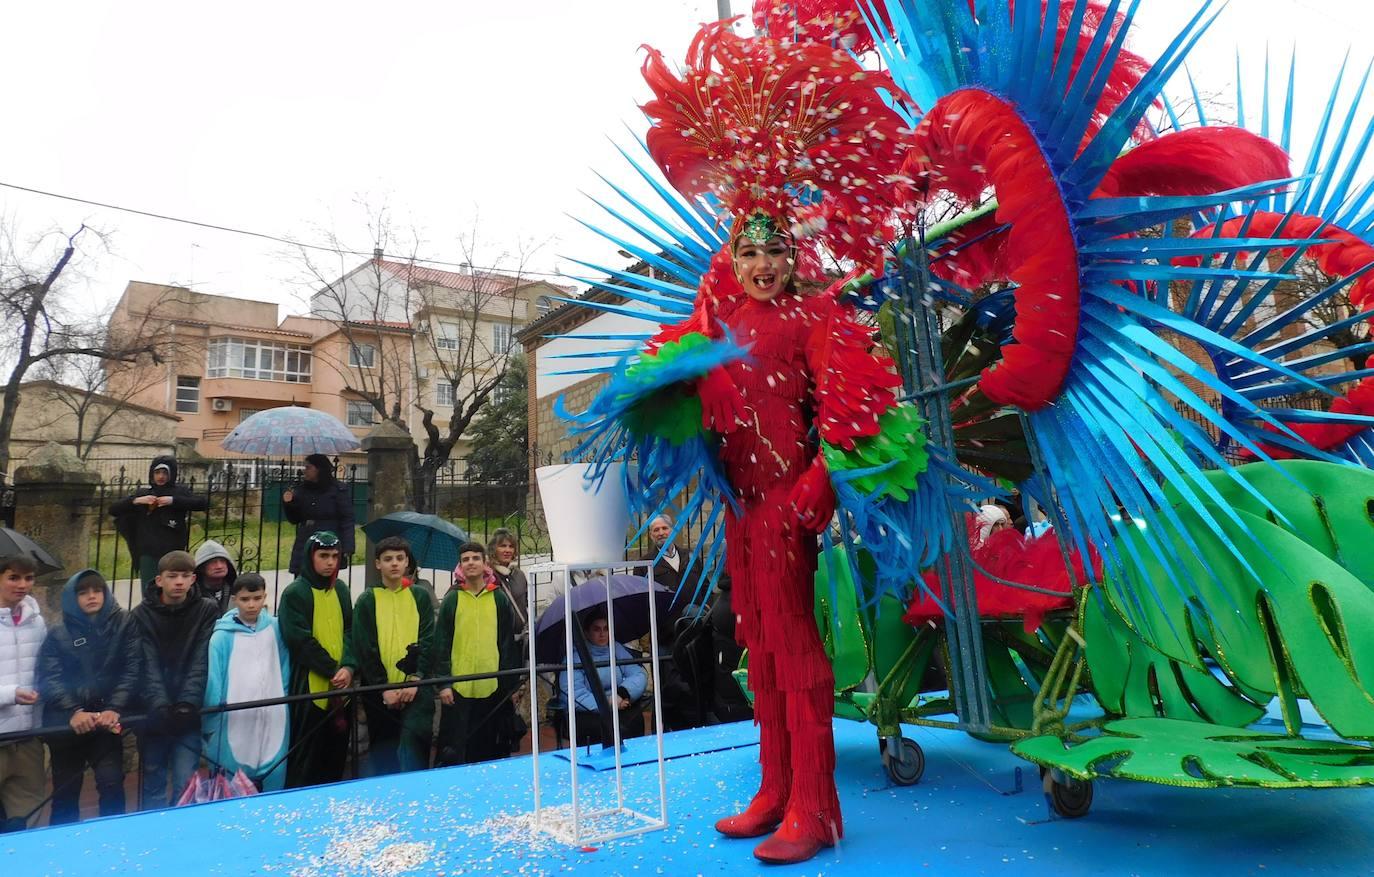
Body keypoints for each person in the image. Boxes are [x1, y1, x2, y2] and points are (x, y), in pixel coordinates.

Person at [36, 569, 135, 823]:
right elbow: (49, 677)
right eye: (83, 592)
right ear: (72, 597)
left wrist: (114, 707)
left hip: (105, 723)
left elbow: (132, 668)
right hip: (68, 727)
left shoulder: (124, 624)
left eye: (97, 590)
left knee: (112, 785)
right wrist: (74, 711)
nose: (92, 596)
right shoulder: (58, 634)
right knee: (65, 793)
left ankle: (114, 838)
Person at [126, 550, 219, 810]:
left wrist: (188, 702)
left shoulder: (206, 610)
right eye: (172, 576)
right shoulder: (140, 615)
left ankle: (182, 829)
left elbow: (201, 658)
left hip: (189, 712)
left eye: (185, 576)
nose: (179, 581)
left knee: (186, 783)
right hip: (153, 713)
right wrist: (159, 704)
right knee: (153, 781)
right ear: (159, 580)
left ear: (193, 579)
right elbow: (146, 662)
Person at [277, 531, 356, 788]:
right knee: (307, 760)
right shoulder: (295, 593)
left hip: (342, 687)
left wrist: (349, 666)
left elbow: (350, 630)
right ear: (310, 556)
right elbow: (299, 640)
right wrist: (333, 669)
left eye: (335, 556)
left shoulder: (340, 589)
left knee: (336, 757)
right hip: (310, 687)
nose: (330, 562)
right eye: (323, 556)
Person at [351, 537, 434, 775]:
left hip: (416, 688)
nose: (394, 563)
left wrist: (416, 678)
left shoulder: (420, 596)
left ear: (407, 562)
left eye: (400, 558)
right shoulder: (368, 600)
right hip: (380, 692)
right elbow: (365, 647)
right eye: (388, 559)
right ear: (378, 564)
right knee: (384, 753)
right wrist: (383, 687)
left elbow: (428, 638)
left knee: (416, 750)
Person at [202, 573, 289, 792]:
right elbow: (214, 678)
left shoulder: (275, 628)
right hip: (234, 717)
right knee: (233, 778)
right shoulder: (221, 637)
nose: (251, 605)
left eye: (257, 598)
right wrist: (212, 717)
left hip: (273, 713)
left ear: (265, 597)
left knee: (275, 771)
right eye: (245, 599)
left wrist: (285, 697)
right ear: (234, 600)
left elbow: (284, 665)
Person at [435, 542, 519, 766]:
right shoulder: (452, 599)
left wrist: (509, 685)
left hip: (491, 685)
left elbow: (506, 644)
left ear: (484, 563)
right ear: (460, 566)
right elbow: (441, 643)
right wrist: (444, 683)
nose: (470, 563)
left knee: (488, 745)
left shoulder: (499, 599)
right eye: (465, 559)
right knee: (456, 746)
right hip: (458, 687)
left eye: (475, 558)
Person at [109, 457, 209, 589]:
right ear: (152, 474)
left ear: (171, 474)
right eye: (157, 472)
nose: (161, 476)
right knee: (149, 588)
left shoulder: (179, 492)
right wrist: (136, 501)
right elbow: (113, 510)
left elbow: (202, 503)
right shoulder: (143, 493)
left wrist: (172, 501)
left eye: (165, 473)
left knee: (172, 588)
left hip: (172, 550)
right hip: (147, 551)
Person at [0, 555, 46, 832]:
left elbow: (44, 670)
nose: (23, 585)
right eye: (13, 578)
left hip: (27, 737)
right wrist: (10, 694)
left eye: (29, 578)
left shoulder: (36, 621)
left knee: (29, 816)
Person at [557, 608, 648, 745]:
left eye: (606, 628)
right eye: (596, 629)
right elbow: (573, 693)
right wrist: (608, 703)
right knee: (604, 727)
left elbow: (638, 674)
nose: (602, 634)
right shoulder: (575, 657)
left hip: (619, 702)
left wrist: (621, 694)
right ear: (586, 633)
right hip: (589, 712)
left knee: (635, 720)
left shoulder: (616, 649)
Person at [282, 454, 356, 576]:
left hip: (328, 540)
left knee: (326, 577)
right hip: (306, 539)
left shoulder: (337, 489)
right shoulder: (302, 489)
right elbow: (294, 519)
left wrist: (348, 546)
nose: (305, 471)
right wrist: (289, 504)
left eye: (308, 467)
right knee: (302, 578)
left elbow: (347, 519)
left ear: (319, 469)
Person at [194, 540, 238, 613]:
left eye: (222, 561)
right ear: (201, 567)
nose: (219, 566)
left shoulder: (238, 591)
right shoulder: (192, 595)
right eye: (213, 562)